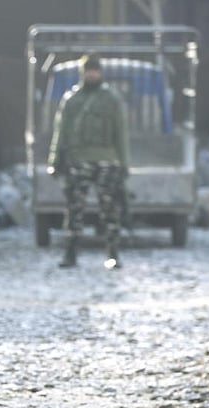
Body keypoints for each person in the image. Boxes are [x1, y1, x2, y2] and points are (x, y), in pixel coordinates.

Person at [48, 52, 129, 270]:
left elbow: (120, 133)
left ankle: (113, 253)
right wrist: (54, 160)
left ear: (100, 73)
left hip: (106, 161)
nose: (92, 74)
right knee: (74, 208)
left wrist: (124, 164)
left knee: (110, 209)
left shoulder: (111, 99)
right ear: (82, 73)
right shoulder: (72, 99)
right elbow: (61, 131)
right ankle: (71, 252)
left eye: (95, 70)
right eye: (88, 70)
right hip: (78, 160)